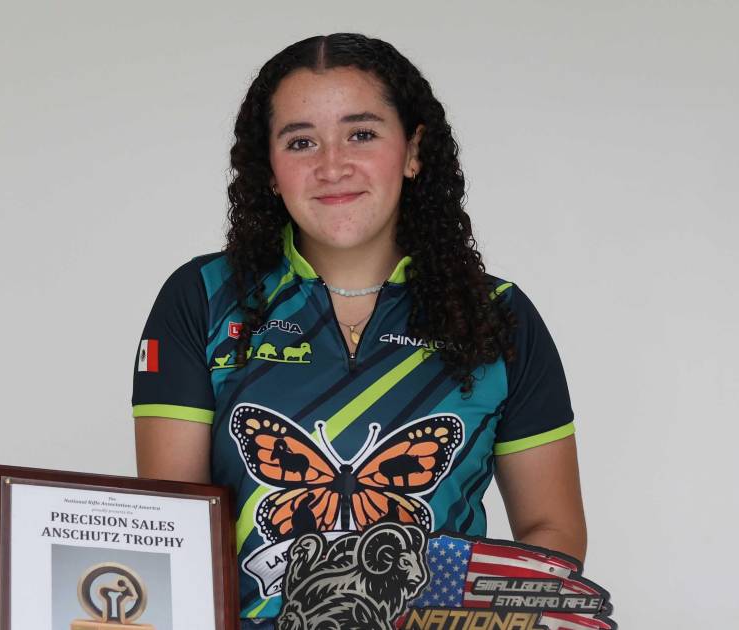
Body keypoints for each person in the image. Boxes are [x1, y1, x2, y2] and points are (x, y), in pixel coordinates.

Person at [131, 33, 586, 626]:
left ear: (413, 151)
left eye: (362, 134)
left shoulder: (499, 314)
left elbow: (552, 530)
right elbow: (170, 537)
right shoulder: (202, 299)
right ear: (269, 171)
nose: (332, 166)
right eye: (301, 142)